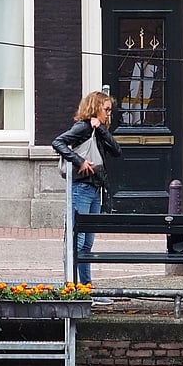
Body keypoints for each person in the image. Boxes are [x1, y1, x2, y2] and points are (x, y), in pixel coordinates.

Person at [52, 90, 122, 304]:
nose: (109, 114)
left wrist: (100, 128)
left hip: (94, 189)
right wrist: (79, 161)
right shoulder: (82, 127)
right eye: (106, 109)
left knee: (87, 244)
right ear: (95, 108)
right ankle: (72, 289)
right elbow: (58, 142)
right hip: (81, 188)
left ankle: (86, 289)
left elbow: (117, 150)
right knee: (77, 241)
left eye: (110, 110)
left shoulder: (97, 129)